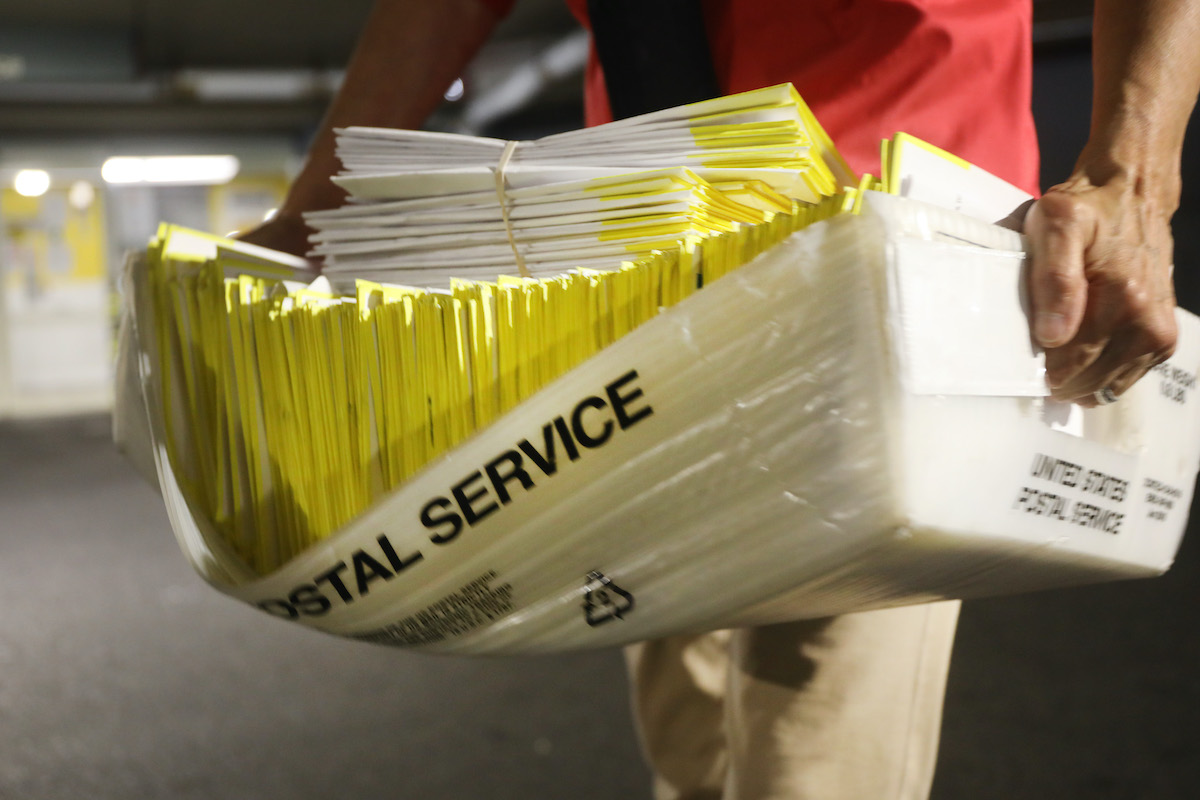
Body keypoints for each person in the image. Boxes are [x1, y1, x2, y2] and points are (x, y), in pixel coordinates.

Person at [242, 2, 1200, 797]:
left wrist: (1133, 181)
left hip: (884, 271)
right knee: (688, 738)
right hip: (645, 275)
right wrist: (314, 208)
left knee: (808, 762)